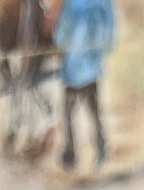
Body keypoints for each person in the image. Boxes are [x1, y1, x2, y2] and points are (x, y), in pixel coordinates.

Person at [51, 0, 115, 170]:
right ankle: (101, 148)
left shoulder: (71, 4)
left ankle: (70, 155)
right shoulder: (103, 3)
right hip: (90, 66)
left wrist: (59, 44)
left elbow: (61, 34)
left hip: (73, 66)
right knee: (93, 110)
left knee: (68, 112)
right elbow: (108, 32)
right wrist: (99, 50)